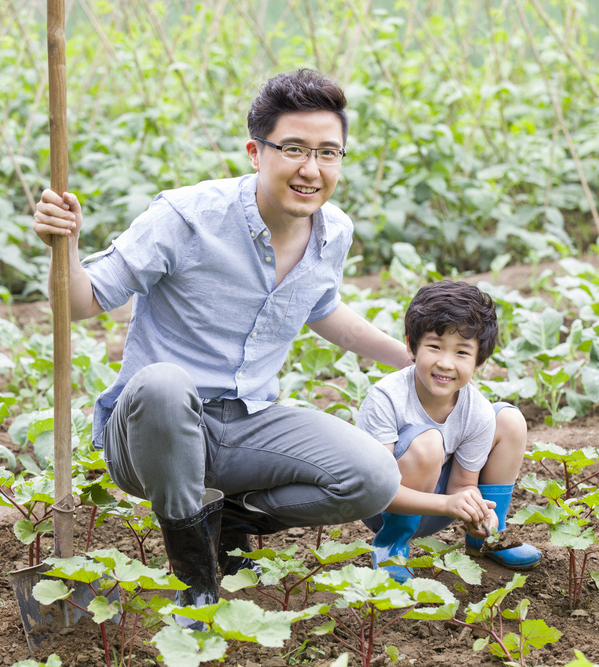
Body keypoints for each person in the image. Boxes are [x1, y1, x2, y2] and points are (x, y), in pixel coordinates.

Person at [33, 69, 411, 627]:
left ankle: (232, 517)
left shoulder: (333, 231)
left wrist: (408, 358)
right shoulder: (187, 217)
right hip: (151, 436)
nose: (312, 169)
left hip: (247, 424)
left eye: (329, 153)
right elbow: (82, 302)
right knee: (165, 383)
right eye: (295, 149)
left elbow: (322, 309)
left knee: (375, 478)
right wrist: (63, 248)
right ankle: (196, 584)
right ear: (256, 152)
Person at [356, 280, 541, 582]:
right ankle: (391, 546)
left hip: (436, 509)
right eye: (434, 346)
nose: (445, 363)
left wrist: (477, 510)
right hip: (384, 505)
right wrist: (447, 504)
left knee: (510, 420)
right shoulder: (387, 397)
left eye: (462, 352)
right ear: (411, 345)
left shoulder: (476, 410)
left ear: (480, 361)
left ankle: (489, 537)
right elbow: (376, 490)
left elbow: (462, 486)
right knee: (428, 441)